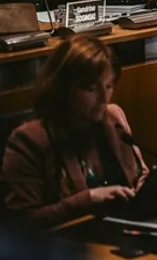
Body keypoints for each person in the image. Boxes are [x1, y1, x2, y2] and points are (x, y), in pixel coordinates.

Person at [3, 36, 147, 227]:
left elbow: (140, 173)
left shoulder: (113, 119)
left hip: (127, 231)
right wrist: (89, 199)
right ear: (61, 89)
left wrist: (147, 186)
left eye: (109, 86)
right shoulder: (29, 139)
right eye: (91, 88)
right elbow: (21, 222)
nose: (104, 98)